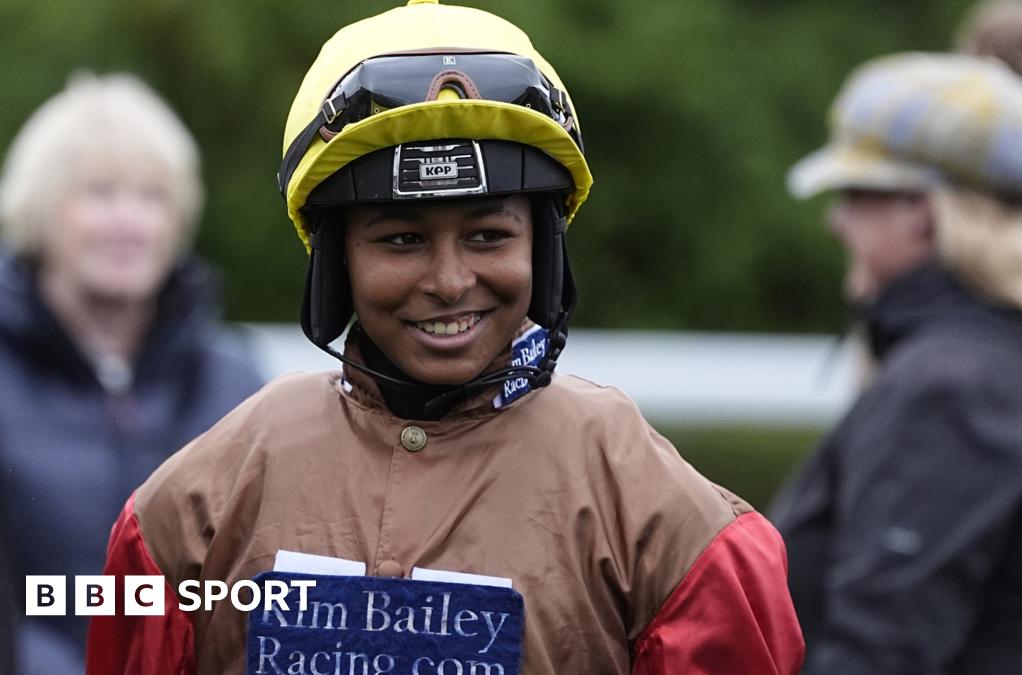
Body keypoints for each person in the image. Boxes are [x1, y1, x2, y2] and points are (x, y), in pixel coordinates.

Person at [88, 2, 806, 673]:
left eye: (488, 235)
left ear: (544, 250)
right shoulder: (191, 508)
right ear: (338, 260)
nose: (450, 280)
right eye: (401, 239)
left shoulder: (666, 520)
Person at [768, 1, 1022, 673]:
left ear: (923, 210)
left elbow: (878, 651)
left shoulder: (954, 388)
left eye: (857, 193)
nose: (837, 222)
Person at [0, 73, 264, 673]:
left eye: (153, 196)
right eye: (100, 194)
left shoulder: (236, 383)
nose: (130, 221)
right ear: (43, 208)